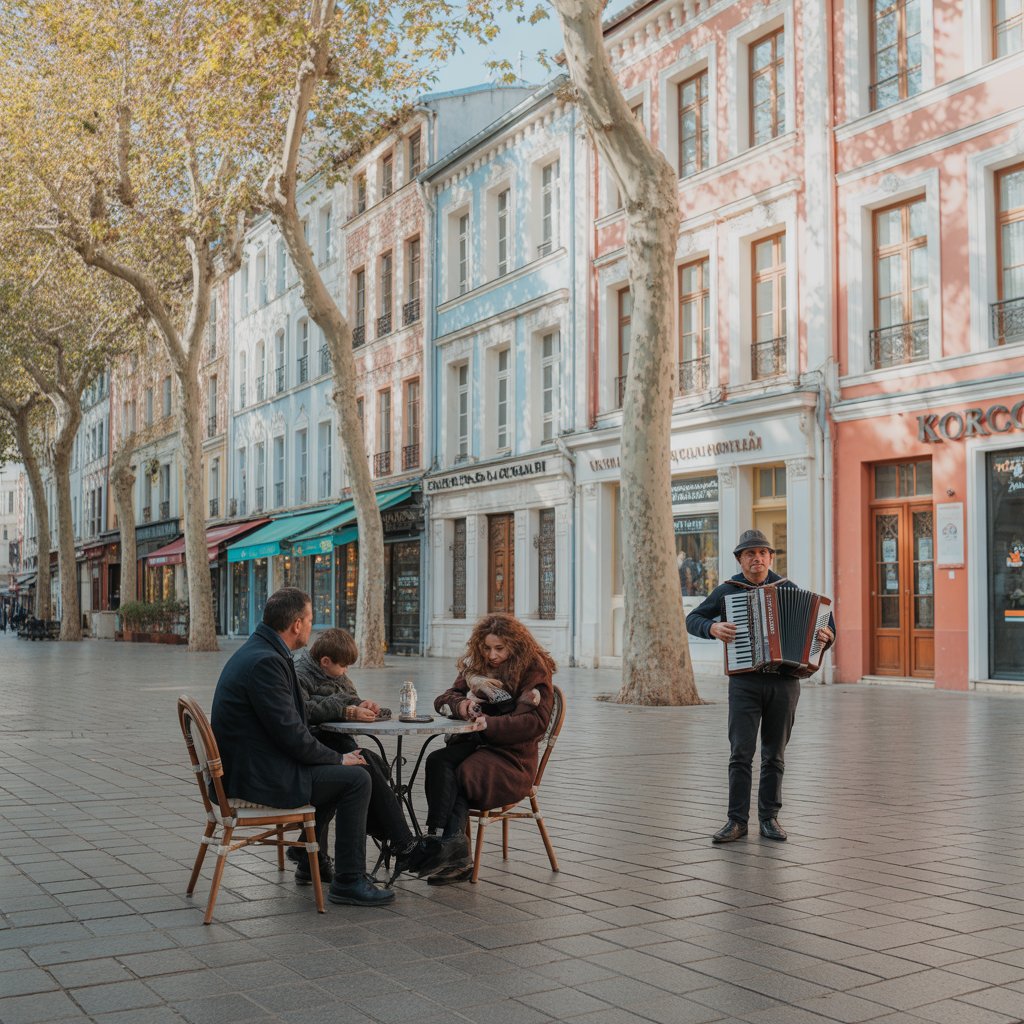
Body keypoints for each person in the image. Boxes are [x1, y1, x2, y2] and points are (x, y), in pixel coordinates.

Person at [210, 587, 394, 906]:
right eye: (310, 619)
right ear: (297, 624)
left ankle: (314, 859)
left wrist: (335, 756)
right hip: (259, 778)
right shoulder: (267, 662)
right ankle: (349, 880)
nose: (312, 625)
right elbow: (292, 735)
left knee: (358, 765)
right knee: (356, 778)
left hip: (254, 766)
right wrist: (337, 759)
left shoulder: (261, 652)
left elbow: (292, 724)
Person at [686, 529, 835, 844]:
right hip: (745, 682)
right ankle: (736, 821)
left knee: (774, 754)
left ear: (770, 557)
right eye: (750, 554)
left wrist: (825, 638)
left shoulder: (789, 588)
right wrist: (712, 627)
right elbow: (693, 618)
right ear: (740, 559)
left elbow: (826, 627)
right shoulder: (727, 591)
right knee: (741, 753)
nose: (757, 558)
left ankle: (770, 819)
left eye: (762, 553)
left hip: (785, 682)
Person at [413, 613, 556, 885]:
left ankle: (450, 852)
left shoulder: (534, 668)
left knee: (464, 772)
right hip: (477, 746)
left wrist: (489, 724)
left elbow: (535, 723)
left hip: (513, 759)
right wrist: (463, 706)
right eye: (487, 648)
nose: (492, 655)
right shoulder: (475, 665)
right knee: (437, 761)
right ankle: (443, 841)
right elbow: (444, 698)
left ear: (515, 644)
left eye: (499, 648)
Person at [290, 628, 419, 873]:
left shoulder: (336, 674)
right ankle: (403, 844)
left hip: (336, 744)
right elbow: (304, 709)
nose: (346, 671)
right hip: (317, 748)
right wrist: (345, 709)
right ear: (325, 662)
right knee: (369, 768)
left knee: (374, 766)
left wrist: (361, 704)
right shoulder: (300, 674)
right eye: (343, 666)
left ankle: (306, 853)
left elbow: (350, 696)